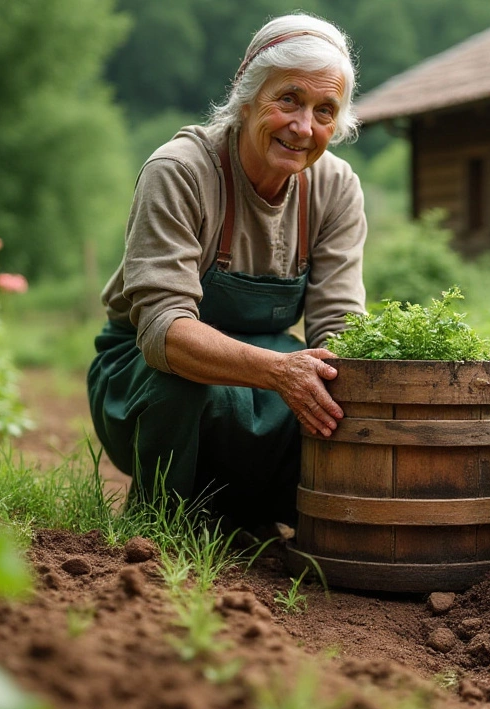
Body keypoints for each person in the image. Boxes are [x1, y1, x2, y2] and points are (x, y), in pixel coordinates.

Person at [87, 14, 366, 530]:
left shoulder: (336, 188)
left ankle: (282, 522)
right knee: (184, 386)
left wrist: (340, 381)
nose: (304, 127)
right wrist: (281, 374)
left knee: (336, 389)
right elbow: (163, 334)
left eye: (324, 111)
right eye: (289, 100)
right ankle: (159, 526)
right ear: (247, 95)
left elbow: (338, 325)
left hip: (273, 367)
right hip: (146, 369)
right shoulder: (181, 171)